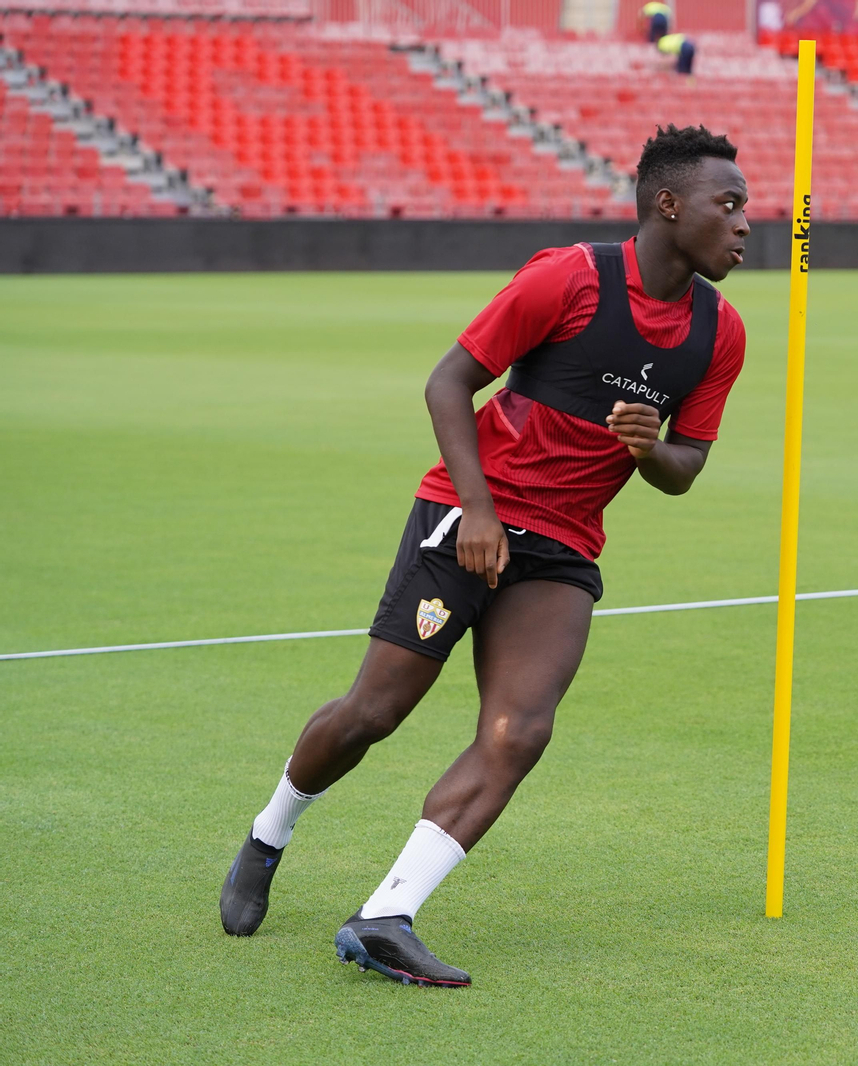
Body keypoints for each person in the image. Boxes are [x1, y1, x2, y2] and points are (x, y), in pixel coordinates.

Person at [219, 124, 751, 988]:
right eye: (727, 205)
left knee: (519, 732)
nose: (744, 225)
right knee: (372, 714)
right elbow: (447, 382)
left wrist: (651, 447)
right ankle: (269, 832)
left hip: (566, 547)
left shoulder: (718, 333)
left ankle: (387, 914)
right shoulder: (568, 277)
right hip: (470, 519)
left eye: (746, 211)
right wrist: (476, 509)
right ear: (667, 204)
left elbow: (684, 471)